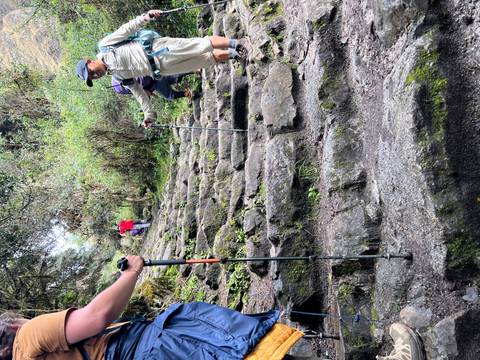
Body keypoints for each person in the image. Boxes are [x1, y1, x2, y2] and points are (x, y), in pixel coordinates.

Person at [3, 255, 303, 360]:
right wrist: (131, 274)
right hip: (145, 350)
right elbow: (97, 317)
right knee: (231, 346)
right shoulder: (28, 336)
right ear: (11, 326)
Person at [76, 9, 252, 128]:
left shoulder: (105, 46)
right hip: (162, 69)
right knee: (203, 60)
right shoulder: (119, 78)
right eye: (92, 78)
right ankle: (233, 54)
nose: (95, 75)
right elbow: (140, 94)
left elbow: (126, 30)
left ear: (90, 61)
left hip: (158, 49)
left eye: (91, 71)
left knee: (200, 45)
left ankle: (237, 44)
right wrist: (148, 116)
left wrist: (145, 17)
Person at [111, 74, 197, 103]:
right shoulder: (118, 74)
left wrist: (151, 95)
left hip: (153, 82)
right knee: (173, 77)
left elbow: (143, 92)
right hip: (151, 72)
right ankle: (194, 69)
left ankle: (188, 93)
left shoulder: (121, 89)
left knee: (170, 95)